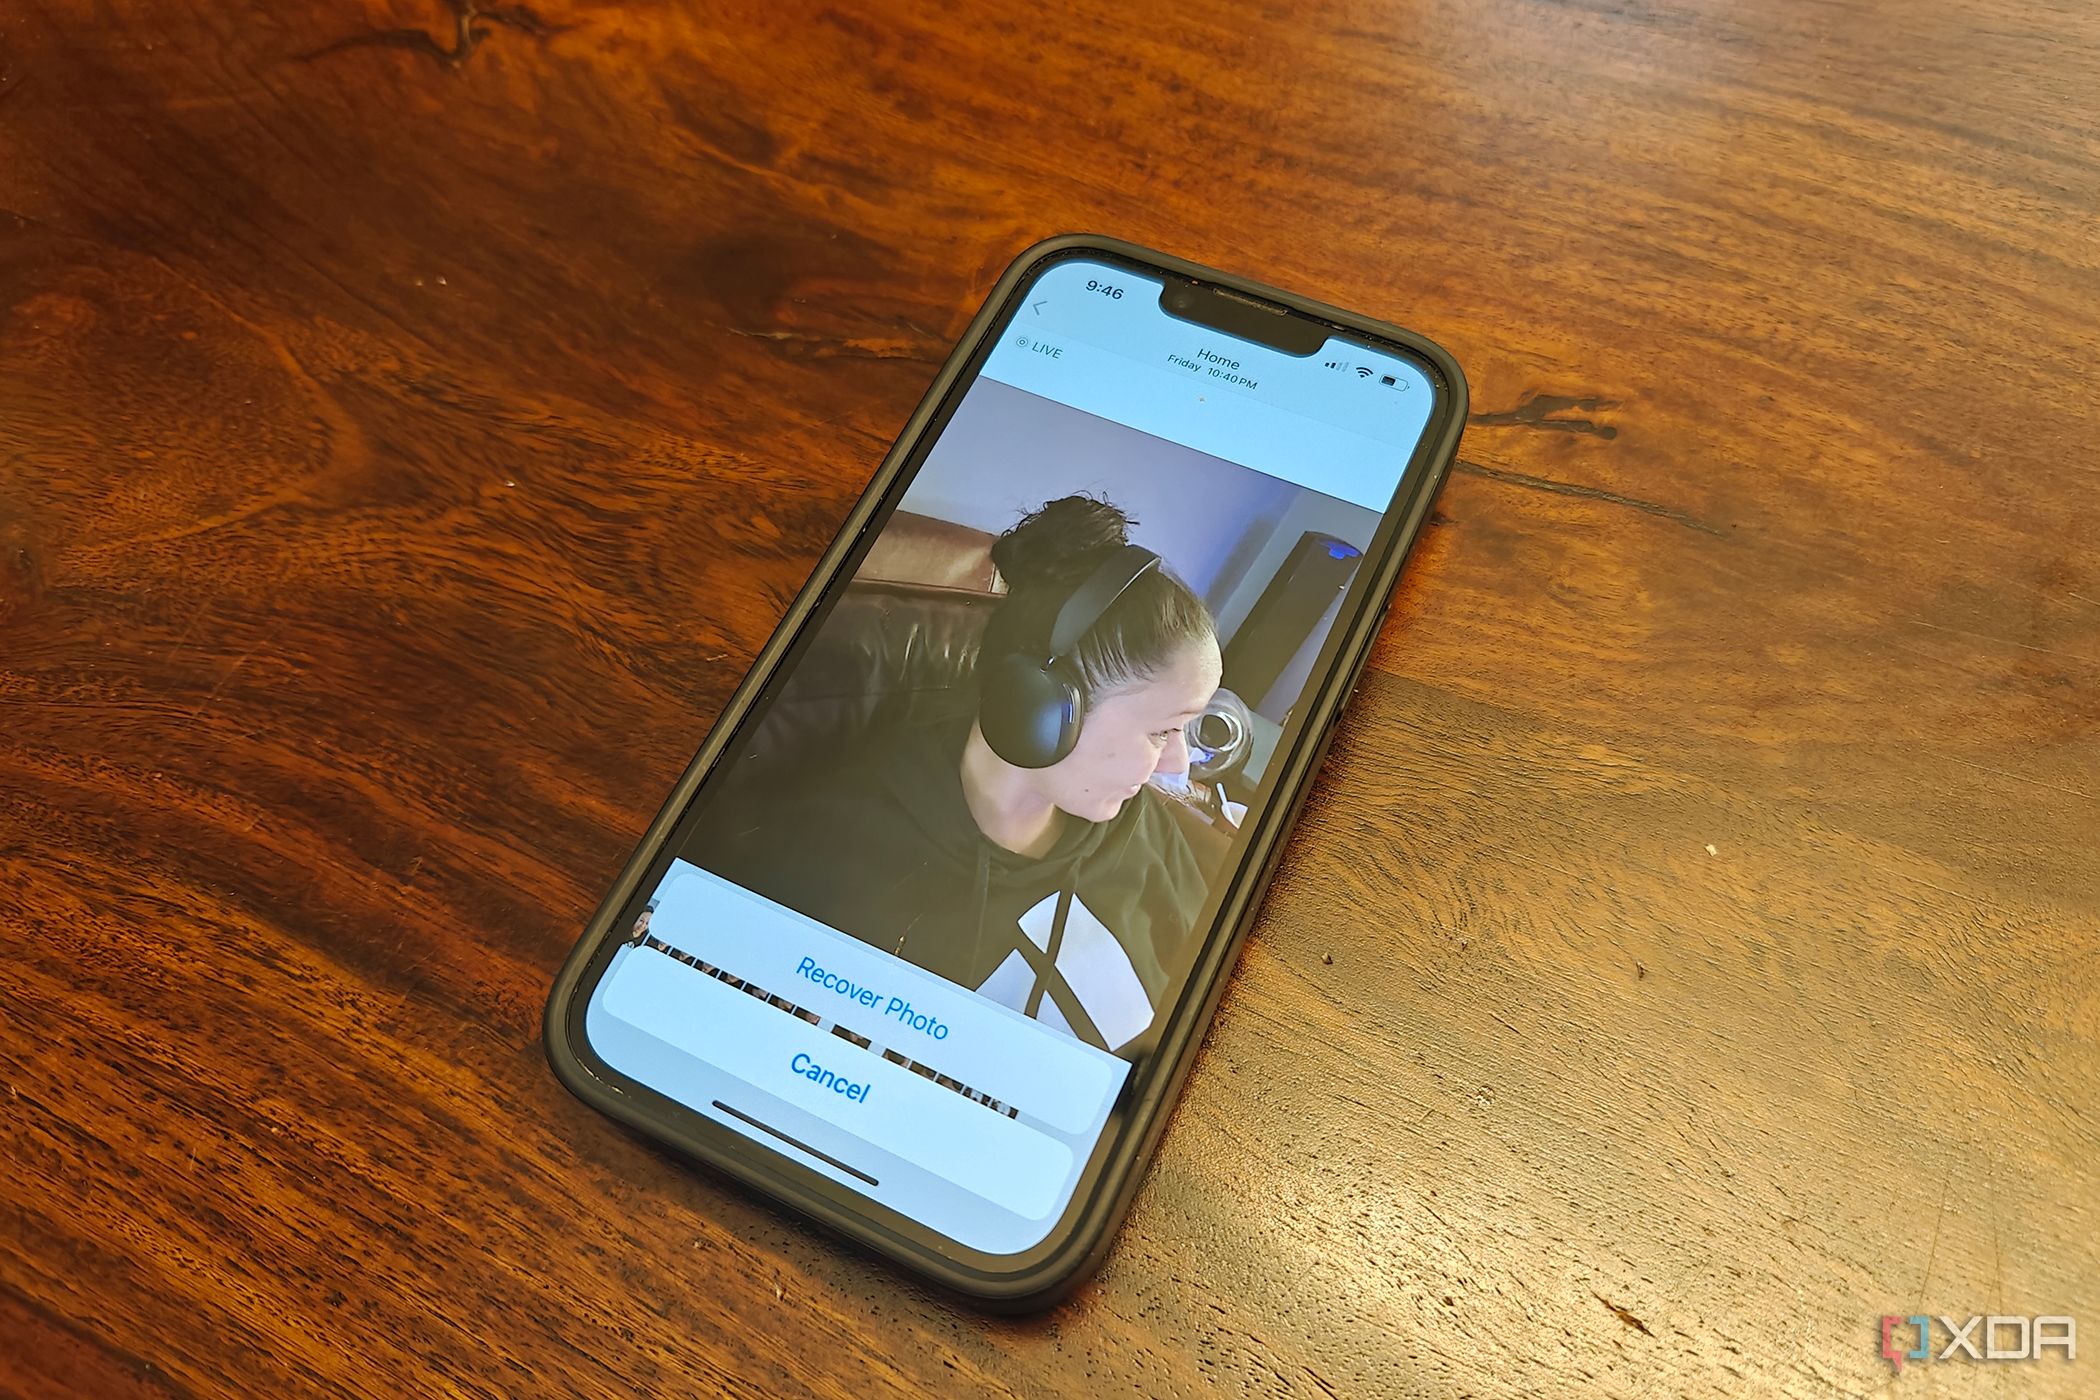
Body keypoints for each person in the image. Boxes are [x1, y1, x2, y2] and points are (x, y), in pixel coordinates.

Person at [687, 496, 1223, 1058]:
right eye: (1164, 731)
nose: (1177, 765)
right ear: (1039, 708)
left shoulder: (1141, 830)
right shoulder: (831, 853)